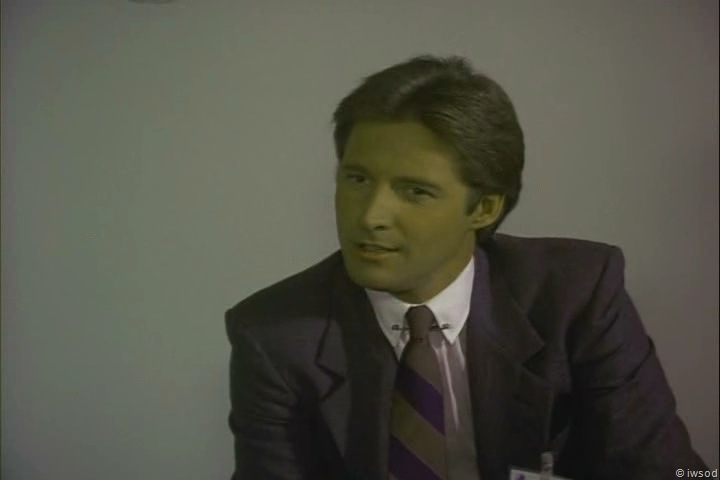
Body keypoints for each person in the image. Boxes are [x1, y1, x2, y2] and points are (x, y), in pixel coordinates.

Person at [224, 55, 707, 480]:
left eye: (415, 191)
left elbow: (673, 469)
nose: (369, 216)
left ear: (483, 208)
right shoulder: (274, 335)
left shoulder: (576, 294)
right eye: (357, 179)